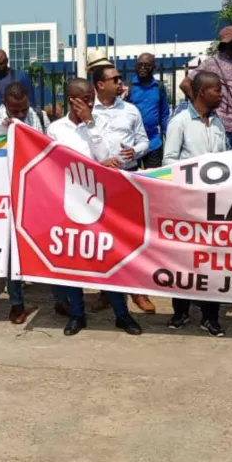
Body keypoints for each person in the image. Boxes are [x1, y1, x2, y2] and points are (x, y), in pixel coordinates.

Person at [46, 79, 141, 336]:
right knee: (73, 262)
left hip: (100, 202)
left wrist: (90, 124)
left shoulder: (98, 123)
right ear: (71, 100)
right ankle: (78, 314)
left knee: (108, 258)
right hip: (69, 202)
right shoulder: (56, 129)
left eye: (91, 98)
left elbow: (104, 158)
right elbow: (54, 164)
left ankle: (122, 314)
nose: (90, 103)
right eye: (84, 99)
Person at [0, 81, 70, 324]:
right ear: (5, 105)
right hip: (6, 191)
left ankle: (60, 299)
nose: (20, 115)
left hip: (36, 192)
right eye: (14, 111)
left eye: (23, 109)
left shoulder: (40, 117)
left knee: (49, 245)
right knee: (12, 251)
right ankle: (16, 303)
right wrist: (2, 135)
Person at [163, 71, 228, 337]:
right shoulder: (179, 122)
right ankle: (180, 312)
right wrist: (196, 174)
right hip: (187, 203)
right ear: (203, 92)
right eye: (217, 90)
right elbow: (168, 160)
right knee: (184, 260)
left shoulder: (218, 124)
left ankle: (210, 316)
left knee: (212, 261)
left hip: (214, 204)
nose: (221, 95)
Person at [90, 64, 156, 315]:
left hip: (127, 178)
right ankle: (106, 291)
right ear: (100, 85)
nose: (121, 83)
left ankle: (138, 290)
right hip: (98, 181)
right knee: (103, 237)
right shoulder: (88, 111)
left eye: (119, 78)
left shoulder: (130, 110)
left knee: (131, 235)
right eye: (114, 79)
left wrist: (135, 151)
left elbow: (144, 141)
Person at [180, 26, 232, 149]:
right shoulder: (211, 63)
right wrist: (200, 106)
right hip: (217, 123)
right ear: (228, 42)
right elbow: (185, 84)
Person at [126, 53, 170, 169]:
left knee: (154, 178)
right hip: (133, 143)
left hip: (153, 142)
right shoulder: (129, 87)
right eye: (139, 65)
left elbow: (164, 114)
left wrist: (167, 135)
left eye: (147, 65)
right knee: (131, 177)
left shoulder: (159, 87)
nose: (143, 68)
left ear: (154, 67)